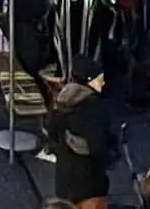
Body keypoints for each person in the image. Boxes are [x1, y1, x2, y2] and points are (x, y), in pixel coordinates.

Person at [49, 63, 116, 209]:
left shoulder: (64, 101)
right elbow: (98, 147)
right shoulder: (94, 110)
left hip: (64, 178)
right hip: (89, 184)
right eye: (100, 79)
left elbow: (52, 132)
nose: (103, 83)